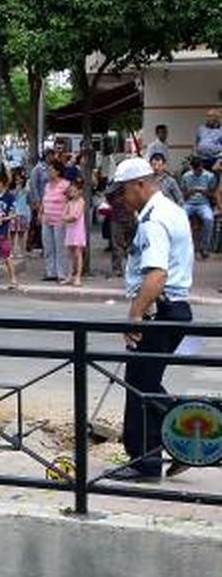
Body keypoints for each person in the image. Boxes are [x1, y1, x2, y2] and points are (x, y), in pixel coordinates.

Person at [109, 157, 195, 482]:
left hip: (160, 309)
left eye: (124, 191)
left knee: (139, 386)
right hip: (173, 308)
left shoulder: (154, 221)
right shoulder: (171, 210)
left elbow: (157, 274)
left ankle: (156, 455)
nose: (121, 199)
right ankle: (179, 441)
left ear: (141, 185)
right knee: (145, 383)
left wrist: (134, 316)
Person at [40, 159, 71, 282]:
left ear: (58, 172)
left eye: (51, 170)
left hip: (60, 219)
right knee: (48, 246)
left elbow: (70, 200)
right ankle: (50, 272)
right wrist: (41, 212)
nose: (49, 172)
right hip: (47, 218)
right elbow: (44, 199)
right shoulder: (47, 185)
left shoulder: (66, 184)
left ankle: (61, 273)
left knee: (60, 247)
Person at [180, 155, 216, 259]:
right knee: (181, 218)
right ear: (192, 168)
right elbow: (182, 195)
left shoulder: (209, 176)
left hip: (203, 203)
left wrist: (205, 192)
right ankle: (184, 246)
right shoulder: (186, 176)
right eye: (195, 170)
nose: (197, 172)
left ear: (202, 166)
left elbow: (212, 194)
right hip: (189, 203)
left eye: (199, 170)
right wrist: (190, 192)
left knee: (209, 219)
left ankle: (204, 248)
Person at [62, 173, 86, 287]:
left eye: (74, 191)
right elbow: (64, 215)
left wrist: (67, 218)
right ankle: (69, 276)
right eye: (71, 191)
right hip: (70, 230)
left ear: (80, 191)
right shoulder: (69, 202)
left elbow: (75, 216)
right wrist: (67, 218)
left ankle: (78, 277)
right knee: (70, 254)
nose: (72, 193)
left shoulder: (81, 202)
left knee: (78, 253)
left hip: (77, 230)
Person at [10, 169, 31, 260]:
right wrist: (16, 190)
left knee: (22, 234)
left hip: (23, 214)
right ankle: (11, 252)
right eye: (17, 179)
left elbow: (28, 202)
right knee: (12, 234)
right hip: (14, 214)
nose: (19, 181)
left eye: (20, 179)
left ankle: (22, 251)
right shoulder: (11, 191)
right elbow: (12, 199)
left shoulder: (26, 191)